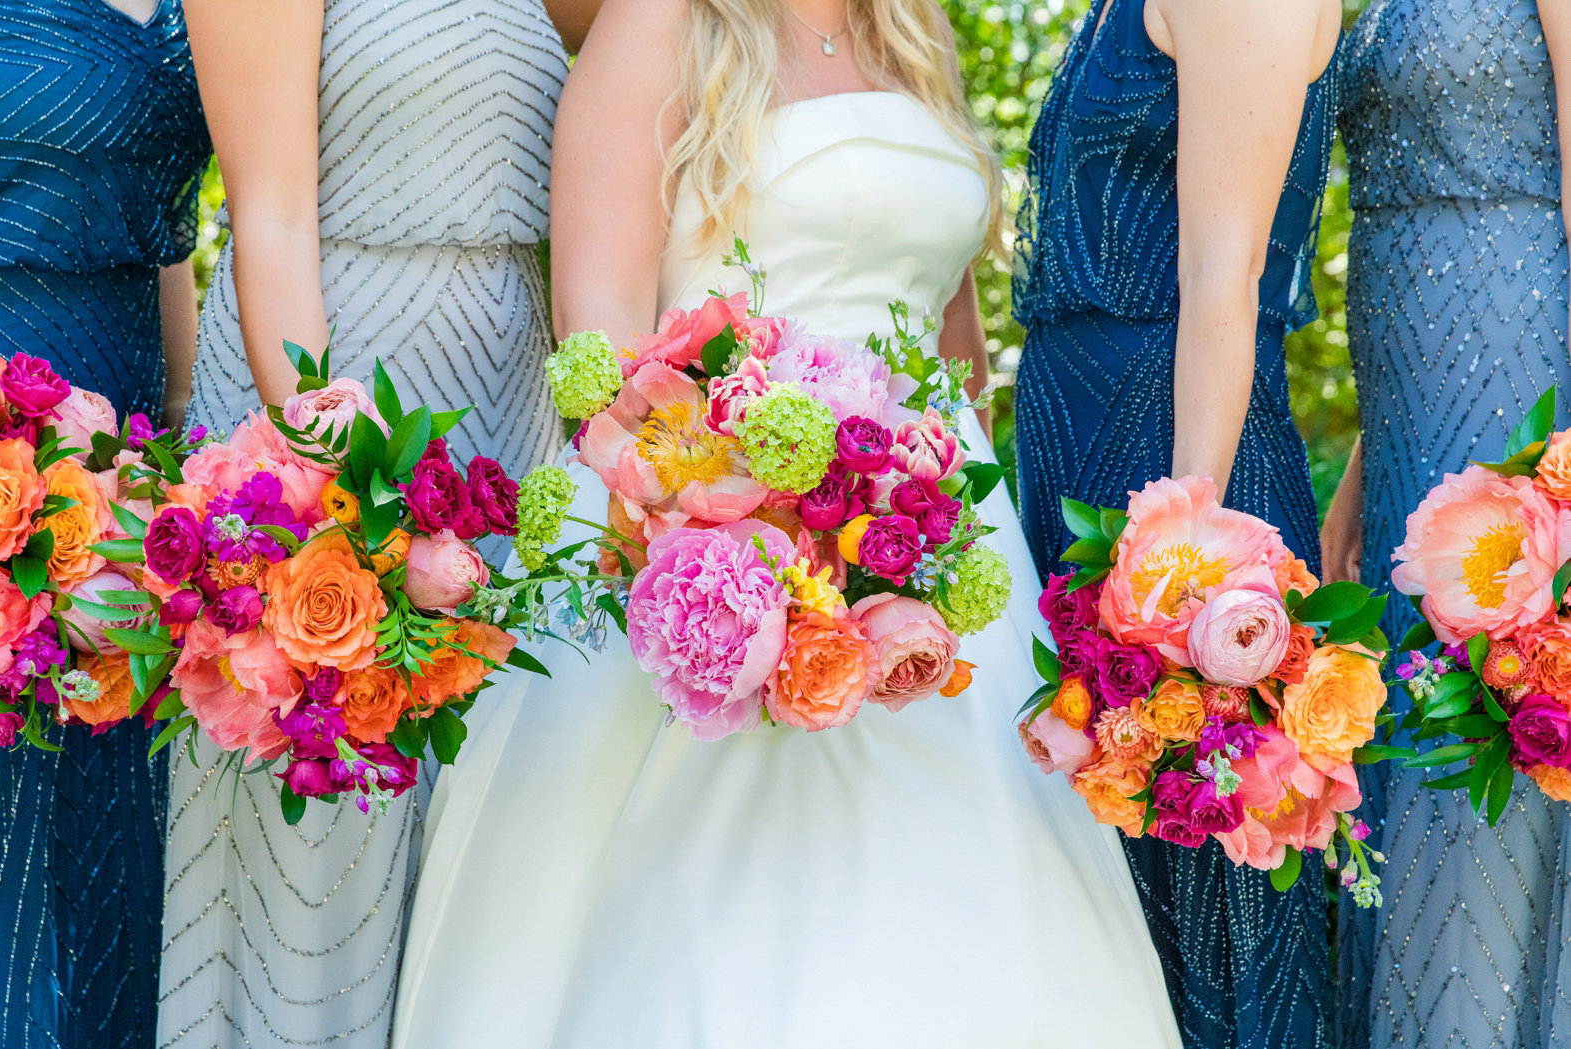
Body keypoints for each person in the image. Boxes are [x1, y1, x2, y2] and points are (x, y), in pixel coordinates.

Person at [390, 1, 1183, 1046]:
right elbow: (604, 353)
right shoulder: (657, 26)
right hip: (707, 520)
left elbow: (955, 348)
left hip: (933, 532)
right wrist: (749, 533)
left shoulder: (914, 34)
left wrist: (929, 519)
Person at [159, 2, 601, 1045]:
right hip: (335, 374)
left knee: (487, 801)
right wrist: (333, 477)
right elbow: (269, 216)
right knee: (328, 813)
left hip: (505, 403)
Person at [1010, 0, 1342, 1045]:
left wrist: (1183, 557)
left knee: (1208, 891)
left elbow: (1222, 280)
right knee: (1098, 879)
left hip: (1171, 468)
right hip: (1082, 457)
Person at [1321, 2, 1571, 1045]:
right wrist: (1358, 474)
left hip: (1524, 370)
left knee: (1486, 726)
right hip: (1406, 402)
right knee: (1411, 714)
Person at [0, 0, 209, 1044]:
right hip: (12, 392)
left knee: (112, 776)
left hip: (127, 424)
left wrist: (176, 439)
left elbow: (164, 229)